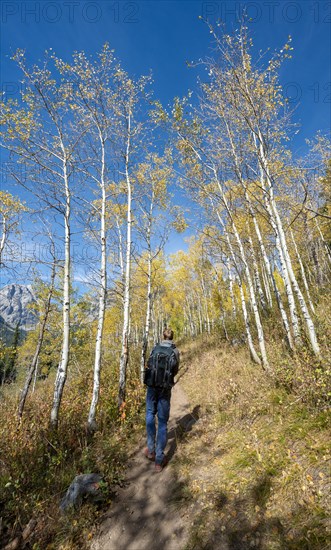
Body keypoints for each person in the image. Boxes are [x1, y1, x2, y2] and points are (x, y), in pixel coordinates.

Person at [144, 328, 180, 472]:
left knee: (150, 414)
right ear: (172, 338)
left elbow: (148, 364)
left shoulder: (155, 348)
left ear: (162, 336)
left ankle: (151, 450)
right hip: (165, 389)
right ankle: (159, 461)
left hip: (152, 386)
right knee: (163, 422)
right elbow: (175, 370)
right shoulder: (175, 351)